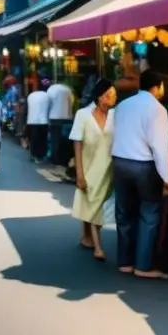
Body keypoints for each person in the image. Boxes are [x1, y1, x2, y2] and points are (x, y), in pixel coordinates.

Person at [111, 70, 168, 280]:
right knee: (149, 214)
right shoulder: (157, 109)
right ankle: (143, 266)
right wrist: (167, 178)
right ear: (156, 87)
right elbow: (160, 147)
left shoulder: (123, 105)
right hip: (143, 166)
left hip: (120, 162)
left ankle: (125, 262)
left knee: (124, 213)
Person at [71, 78, 116, 261]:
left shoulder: (115, 115)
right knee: (95, 204)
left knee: (93, 203)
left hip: (110, 169)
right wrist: (79, 173)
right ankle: (98, 247)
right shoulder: (83, 115)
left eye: (114, 95)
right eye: (109, 95)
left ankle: (87, 237)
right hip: (90, 167)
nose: (113, 98)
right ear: (100, 97)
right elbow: (77, 143)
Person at [48, 80, 75, 166]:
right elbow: (72, 102)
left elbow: (48, 103)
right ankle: (64, 158)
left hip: (54, 118)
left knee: (55, 139)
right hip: (68, 118)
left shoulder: (51, 89)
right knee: (66, 139)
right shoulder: (68, 90)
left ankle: (55, 159)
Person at [26, 82, 52, 162]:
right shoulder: (47, 96)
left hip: (31, 121)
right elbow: (49, 108)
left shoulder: (30, 96)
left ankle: (33, 154)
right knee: (42, 140)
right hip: (43, 121)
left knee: (33, 139)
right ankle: (40, 155)